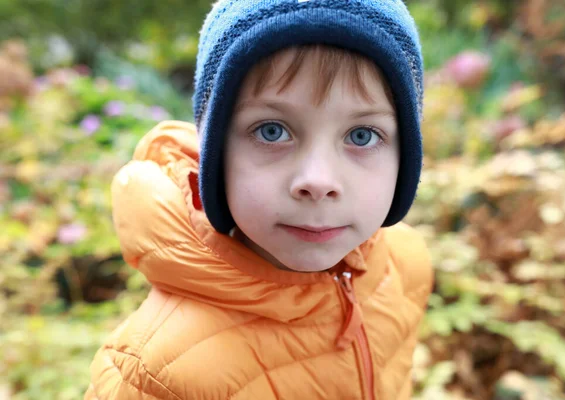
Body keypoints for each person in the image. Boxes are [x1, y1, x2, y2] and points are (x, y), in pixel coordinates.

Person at [84, 0, 434, 399]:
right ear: (216, 155)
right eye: (271, 131)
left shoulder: (403, 265)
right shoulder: (155, 374)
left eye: (361, 135)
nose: (317, 181)